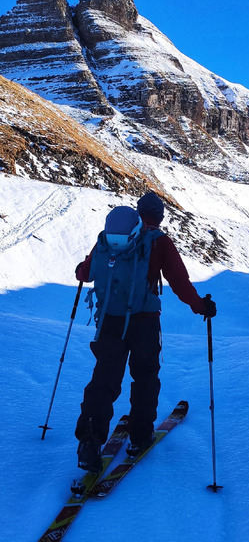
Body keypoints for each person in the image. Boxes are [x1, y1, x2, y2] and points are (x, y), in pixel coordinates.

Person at [75, 191, 216, 473]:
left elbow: (85, 273)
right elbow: (180, 282)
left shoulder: (112, 238)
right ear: (160, 216)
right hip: (144, 322)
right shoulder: (160, 242)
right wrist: (201, 306)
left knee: (104, 379)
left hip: (109, 322)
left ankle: (90, 441)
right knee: (145, 376)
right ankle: (140, 436)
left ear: (139, 212)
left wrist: (82, 267)